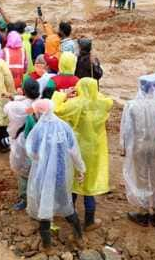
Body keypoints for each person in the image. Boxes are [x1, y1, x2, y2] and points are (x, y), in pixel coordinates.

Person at [26, 99, 86, 254]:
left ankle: (47, 246)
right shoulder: (64, 127)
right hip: (61, 175)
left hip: (43, 177)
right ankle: (79, 237)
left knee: (44, 209)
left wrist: (42, 158)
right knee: (66, 206)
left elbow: (32, 152)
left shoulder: (38, 130)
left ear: (39, 112)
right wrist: (81, 169)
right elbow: (74, 151)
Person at [53, 78, 113, 230]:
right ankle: (89, 221)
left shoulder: (77, 103)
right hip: (95, 149)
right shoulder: (103, 103)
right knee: (89, 185)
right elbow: (108, 100)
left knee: (74, 182)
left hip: (78, 147)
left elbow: (56, 110)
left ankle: (70, 215)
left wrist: (63, 95)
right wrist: (94, 93)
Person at [120, 74, 155, 227]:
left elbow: (126, 129)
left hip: (139, 146)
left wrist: (123, 147)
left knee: (140, 178)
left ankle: (142, 213)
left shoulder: (132, 105)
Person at [5, 78, 40, 211]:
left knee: (22, 172)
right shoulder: (42, 104)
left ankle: (25, 199)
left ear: (24, 91)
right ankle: (37, 198)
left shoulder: (16, 107)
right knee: (36, 171)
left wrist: (14, 98)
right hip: (38, 144)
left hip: (22, 144)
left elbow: (6, 109)